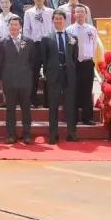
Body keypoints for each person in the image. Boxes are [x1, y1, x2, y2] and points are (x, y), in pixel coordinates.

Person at [0, 15, 36, 144]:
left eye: (16, 24)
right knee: (10, 109)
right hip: (9, 80)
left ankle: (27, 134)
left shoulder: (28, 41)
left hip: (25, 80)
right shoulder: (2, 42)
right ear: (8, 26)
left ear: (20, 27)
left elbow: (33, 61)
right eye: (11, 25)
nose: (13, 27)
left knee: (26, 108)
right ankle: (11, 134)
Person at [41, 10, 79, 144]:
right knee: (53, 105)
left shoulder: (73, 38)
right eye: (55, 18)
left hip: (69, 75)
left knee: (70, 105)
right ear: (52, 20)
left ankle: (71, 133)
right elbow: (44, 58)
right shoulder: (46, 38)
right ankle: (53, 134)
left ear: (65, 20)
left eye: (60, 18)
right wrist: (47, 73)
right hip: (54, 75)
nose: (58, 21)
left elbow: (74, 57)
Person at [66, 4, 103, 126]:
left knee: (87, 90)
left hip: (87, 63)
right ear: (74, 14)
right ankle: (74, 117)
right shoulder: (69, 30)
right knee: (74, 90)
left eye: (82, 12)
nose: (80, 14)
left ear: (86, 15)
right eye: (77, 12)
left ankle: (87, 118)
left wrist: (89, 57)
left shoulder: (92, 29)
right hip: (75, 64)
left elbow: (94, 45)